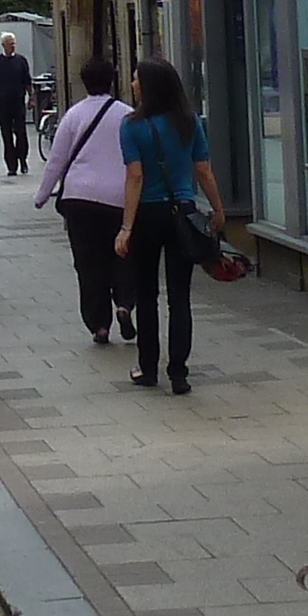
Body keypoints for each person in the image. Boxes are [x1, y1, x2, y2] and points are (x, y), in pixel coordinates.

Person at [111, 55, 226, 396]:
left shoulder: (131, 126)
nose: (132, 85)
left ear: (148, 87)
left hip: (148, 213)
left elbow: (135, 176)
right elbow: (203, 170)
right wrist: (217, 210)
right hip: (183, 212)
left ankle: (148, 368)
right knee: (180, 296)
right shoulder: (189, 122)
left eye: (136, 80)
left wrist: (126, 227)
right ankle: (179, 372)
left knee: (146, 294)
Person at [35, 56, 134, 346]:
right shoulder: (126, 115)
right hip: (117, 198)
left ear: (84, 83)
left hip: (79, 199)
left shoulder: (73, 115)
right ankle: (125, 303)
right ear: (112, 80)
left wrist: (42, 195)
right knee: (123, 254)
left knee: (88, 262)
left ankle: (98, 324)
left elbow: (57, 160)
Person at [0, 33, 36, 175]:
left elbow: (27, 81)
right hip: (4, 102)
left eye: (14, 43)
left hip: (18, 101)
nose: (12, 45)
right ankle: (11, 165)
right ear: (3, 45)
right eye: (10, 43)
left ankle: (22, 160)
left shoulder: (21, 60)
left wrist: (31, 97)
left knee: (21, 132)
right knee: (6, 134)